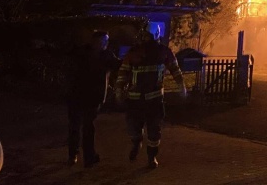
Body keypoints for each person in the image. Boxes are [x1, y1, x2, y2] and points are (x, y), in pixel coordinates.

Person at [115, 25, 186, 169]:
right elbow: (123, 72)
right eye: (144, 35)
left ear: (154, 35)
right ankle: (136, 142)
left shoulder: (164, 52)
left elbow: (175, 69)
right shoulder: (134, 53)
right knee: (133, 127)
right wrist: (119, 89)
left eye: (147, 35)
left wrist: (181, 86)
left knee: (154, 130)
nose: (144, 38)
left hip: (154, 100)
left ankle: (151, 157)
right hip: (135, 99)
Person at [65, 30, 120, 168]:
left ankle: (76, 155)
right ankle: (85, 156)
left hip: (81, 95)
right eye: (104, 41)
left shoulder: (83, 53)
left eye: (106, 41)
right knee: (84, 126)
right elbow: (119, 65)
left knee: (79, 126)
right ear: (96, 41)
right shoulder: (102, 55)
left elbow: (118, 65)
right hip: (87, 96)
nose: (106, 44)